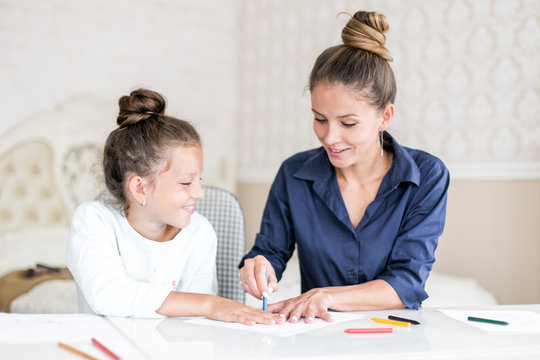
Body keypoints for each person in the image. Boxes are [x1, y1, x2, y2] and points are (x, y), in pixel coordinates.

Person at [239, 11, 450, 323]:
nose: (329, 137)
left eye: (348, 123)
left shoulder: (427, 176)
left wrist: (325, 296)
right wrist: (257, 265)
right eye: (319, 119)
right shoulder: (293, 174)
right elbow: (270, 251)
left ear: (385, 117)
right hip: (317, 337)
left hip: (393, 336)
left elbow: (406, 283)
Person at [68, 88, 283, 325]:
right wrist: (211, 304)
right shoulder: (93, 221)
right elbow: (108, 295)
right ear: (140, 188)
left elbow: (195, 320)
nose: (199, 193)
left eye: (198, 180)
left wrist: (204, 306)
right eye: (185, 182)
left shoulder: (200, 232)